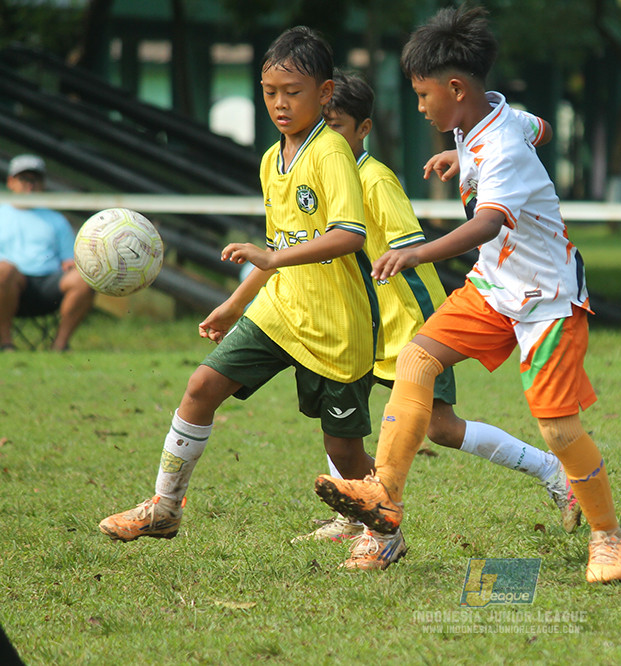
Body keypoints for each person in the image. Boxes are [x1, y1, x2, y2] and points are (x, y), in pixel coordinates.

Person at [313, 7, 621, 583]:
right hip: (493, 286)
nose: (419, 106)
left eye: (421, 94)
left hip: (548, 298)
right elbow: (543, 129)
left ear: (454, 88)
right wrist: (465, 155)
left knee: (558, 429)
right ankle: (384, 496)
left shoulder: (501, 145)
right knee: (417, 359)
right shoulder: (488, 117)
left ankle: (608, 534)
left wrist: (416, 250)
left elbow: (487, 223)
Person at [99, 26, 380, 544]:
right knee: (201, 387)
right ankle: (164, 507)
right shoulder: (272, 160)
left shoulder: (332, 152)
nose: (279, 103)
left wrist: (273, 255)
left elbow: (350, 235)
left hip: (336, 325)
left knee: (344, 452)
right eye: (270, 92)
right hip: (278, 311)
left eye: (293, 93)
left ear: (324, 95)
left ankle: (384, 528)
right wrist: (233, 304)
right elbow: (280, 250)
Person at [293, 71, 579, 568]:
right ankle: (364, 522)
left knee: (442, 430)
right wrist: (464, 157)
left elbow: (412, 252)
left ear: (361, 129)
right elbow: (540, 130)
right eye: (319, 127)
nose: (324, 139)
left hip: (406, 312)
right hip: (360, 315)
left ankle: (553, 471)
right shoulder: (319, 174)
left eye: (334, 126)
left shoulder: (374, 181)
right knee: (345, 411)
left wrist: (416, 269)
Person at [0, 154, 94, 352]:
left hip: (49, 284)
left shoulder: (56, 220)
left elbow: (68, 259)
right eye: (24, 179)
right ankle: (5, 343)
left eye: (35, 180)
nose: (30, 185)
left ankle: (60, 346)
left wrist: (71, 265)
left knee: (85, 278)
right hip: (10, 284)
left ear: (42, 184)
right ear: (10, 182)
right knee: (4, 270)